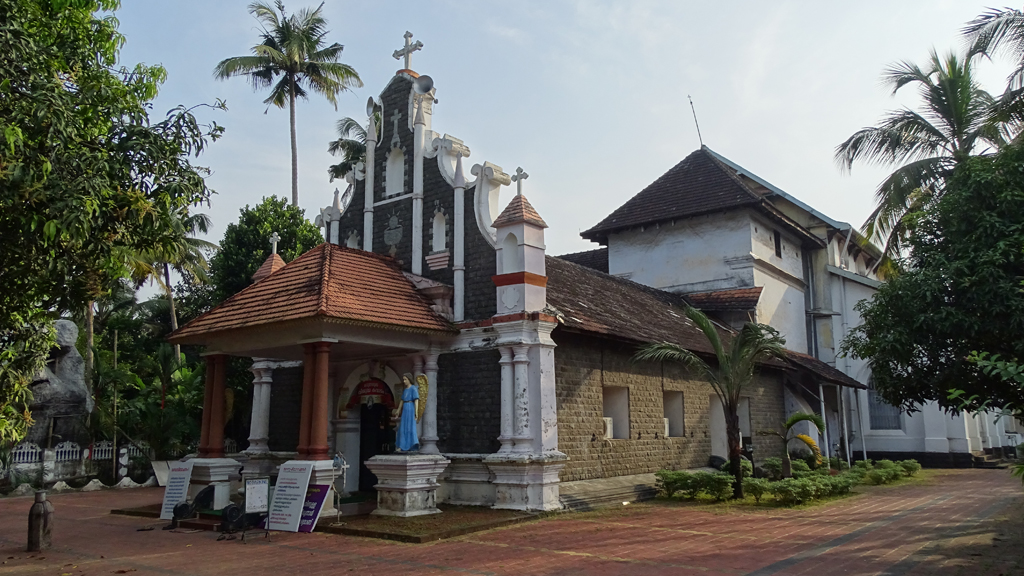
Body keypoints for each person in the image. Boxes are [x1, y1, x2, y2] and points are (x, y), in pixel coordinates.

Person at [395, 373, 420, 452]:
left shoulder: (413, 388)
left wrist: (416, 412)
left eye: (405, 379)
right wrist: (398, 410)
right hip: (405, 409)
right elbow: (402, 401)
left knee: (410, 427)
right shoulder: (405, 390)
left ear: (409, 379)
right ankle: (401, 445)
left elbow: (416, 401)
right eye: (403, 379)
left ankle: (411, 445)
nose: (404, 381)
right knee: (403, 427)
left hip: (410, 408)